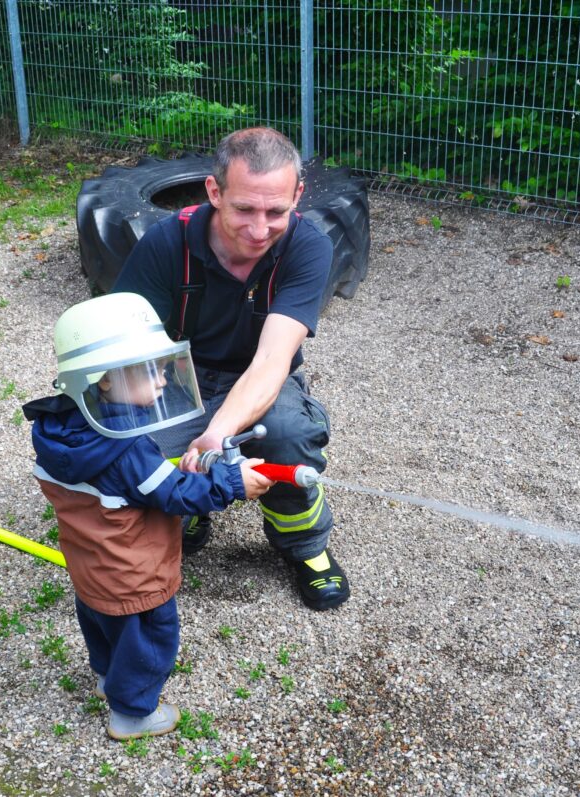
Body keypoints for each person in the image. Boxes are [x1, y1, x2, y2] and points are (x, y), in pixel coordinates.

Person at [112, 126, 351, 611]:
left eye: (276, 211)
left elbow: (272, 361)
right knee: (132, 453)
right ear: (214, 191)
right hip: (177, 375)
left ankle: (305, 545)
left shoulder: (309, 247)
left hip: (259, 375)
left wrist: (217, 435)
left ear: (297, 196)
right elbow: (126, 350)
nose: (259, 230)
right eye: (244, 209)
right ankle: (191, 506)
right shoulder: (164, 243)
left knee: (288, 435)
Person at [23, 293, 272, 740]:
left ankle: (107, 678)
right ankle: (132, 714)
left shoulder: (56, 431)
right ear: (103, 380)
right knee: (149, 641)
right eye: (147, 370)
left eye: (162, 366)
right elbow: (177, 494)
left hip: (90, 566)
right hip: (135, 576)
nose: (162, 379)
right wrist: (233, 482)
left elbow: (134, 484)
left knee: (102, 623)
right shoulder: (128, 450)